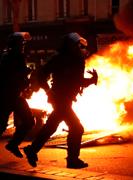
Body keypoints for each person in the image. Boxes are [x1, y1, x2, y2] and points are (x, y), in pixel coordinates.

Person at [23, 32, 98, 168]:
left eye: (79, 45)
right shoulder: (59, 59)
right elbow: (41, 75)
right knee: (77, 128)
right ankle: (72, 160)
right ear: (69, 45)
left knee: (51, 126)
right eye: (76, 45)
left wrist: (92, 80)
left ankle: (32, 150)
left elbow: (77, 81)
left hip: (66, 99)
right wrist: (48, 90)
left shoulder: (78, 60)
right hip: (59, 99)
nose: (78, 47)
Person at [0, 32, 35, 158]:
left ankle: (13, 144)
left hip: (14, 96)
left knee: (29, 121)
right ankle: (13, 144)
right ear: (15, 44)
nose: (23, 45)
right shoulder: (11, 57)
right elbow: (10, 76)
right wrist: (25, 73)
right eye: (21, 43)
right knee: (2, 125)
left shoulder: (12, 56)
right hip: (7, 96)